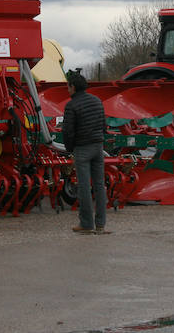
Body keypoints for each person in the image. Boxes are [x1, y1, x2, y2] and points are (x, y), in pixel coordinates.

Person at [61, 71, 108, 234]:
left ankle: (86, 224)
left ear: (73, 87)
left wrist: (69, 149)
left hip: (82, 148)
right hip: (98, 146)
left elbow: (68, 131)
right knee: (100, 185)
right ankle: (101, 224)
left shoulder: (71, 105)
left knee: (83, 186)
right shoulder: (97, 101)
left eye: (68, 86)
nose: (67, 89)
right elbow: (104, 124)